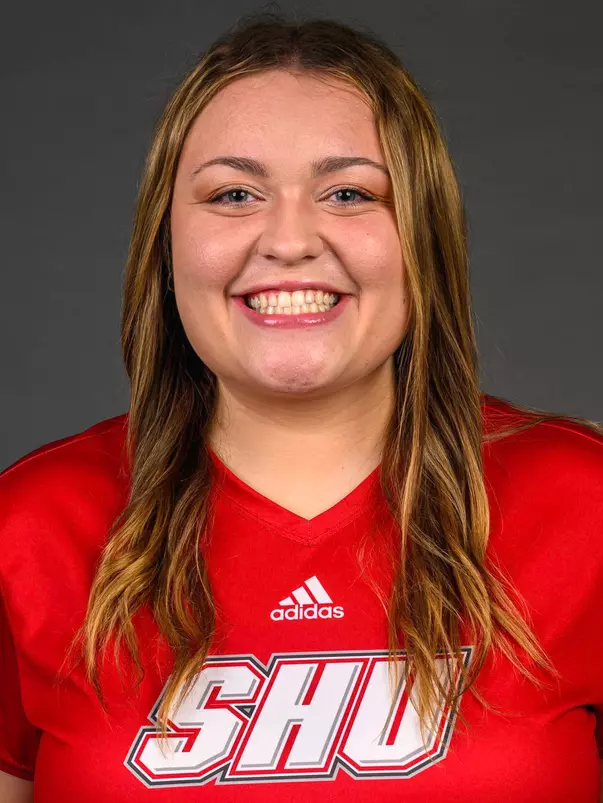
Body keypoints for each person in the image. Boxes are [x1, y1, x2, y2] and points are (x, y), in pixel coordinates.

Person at [1, 11, 602, 803]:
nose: (288, 239)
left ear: (423, 235)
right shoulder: (32, 526)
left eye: (349, 191)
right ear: (165, 242)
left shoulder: (583, 505)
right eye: (234, 193)